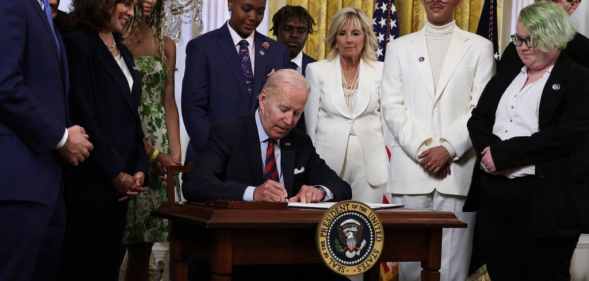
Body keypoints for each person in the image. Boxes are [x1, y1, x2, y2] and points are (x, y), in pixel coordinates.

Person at [464, 2, 589, 280]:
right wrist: (488, 151)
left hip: (546, 204)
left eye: (528, 39)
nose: (521, 46)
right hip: (496, 199)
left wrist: (506, 154)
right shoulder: (510, 73)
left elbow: (564, 137)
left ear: (553, 36)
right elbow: (478, 119)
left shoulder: (577, 78)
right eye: (517, 39)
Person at [380, 0, 495, 280]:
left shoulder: (479, 47)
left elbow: (481, 107)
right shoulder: (398, 47)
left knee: (453, 269)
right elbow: (392, 106)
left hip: (457, 173)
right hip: (411, 171)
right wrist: (424, 149)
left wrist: (449, 148)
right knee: (408, 269)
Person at [0, 1, 93, 280]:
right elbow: (4, 85)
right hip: (19, 184)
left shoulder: (41, 12)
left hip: (47, 185)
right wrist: (61, 137)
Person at [59, 1, 149, 281]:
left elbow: (132, 116)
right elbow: (82, 113)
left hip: (119, 189)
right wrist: (113, 172)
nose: (131, 12)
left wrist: (139, 167)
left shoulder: (123, 50)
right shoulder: (78, 44)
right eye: (125, 3)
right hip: (89, 182)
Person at [184, 69, 351, 204]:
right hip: (238, 234)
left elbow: (342, 187)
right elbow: (196, 184)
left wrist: (320, 192)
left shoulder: (300, 142)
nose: (289, 121)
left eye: (297, 113)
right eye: (284, 109)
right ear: (263, 101)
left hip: (287, 235)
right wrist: (253, 193)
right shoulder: (228, 133)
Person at [181, 0, 290, 160]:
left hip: (259, 162)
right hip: (211, 160)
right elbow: (193, 110)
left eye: (260, 12)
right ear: (230, 4)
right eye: (246, 9)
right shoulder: (202, 47)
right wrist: (217, 153)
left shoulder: (276, 52)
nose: (253, 17)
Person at [121, 0, 182, 280]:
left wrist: (175, 152)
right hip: (127, 139)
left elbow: (169, 100)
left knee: (144, 242)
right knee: (118, 234)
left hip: (161, 145)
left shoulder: (165, 44)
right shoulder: (116, 38)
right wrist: (150, 151)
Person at [305, 7, 387, 204]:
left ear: (365, 37)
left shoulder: (381, 70)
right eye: (342, 33)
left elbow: (388, 123)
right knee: (328, 228)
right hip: (328, 163)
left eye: (355, 33)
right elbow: (310, 126)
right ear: (335, 38)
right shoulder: (316, 70)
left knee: (368, 225)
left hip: (371, 166)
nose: (349, 40)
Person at [499, 0, 589, 71]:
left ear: (572, 5)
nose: (542, 5)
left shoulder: (583, 51)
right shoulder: (513, 51)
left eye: (553, 1)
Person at [271, 5, 316, 76]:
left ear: (307, 34)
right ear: (276, 31)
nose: (294, 35)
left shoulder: (316, 69)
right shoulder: (261, 62)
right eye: (288, 29)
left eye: (301, 31)